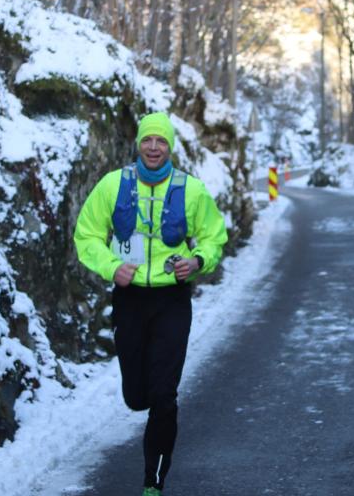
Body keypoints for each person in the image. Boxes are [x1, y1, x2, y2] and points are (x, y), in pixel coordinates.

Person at [73, 112, 228, 496]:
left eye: (161, 141)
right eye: (148, 140)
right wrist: (112, 267)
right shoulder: (113, 185)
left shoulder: (191, 190)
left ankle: (153, 482)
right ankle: (139, 397)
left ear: (170, 146)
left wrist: (197, 261)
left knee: (164, 395)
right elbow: (86, 235)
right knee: (136, 396)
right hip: (129, 299)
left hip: (172, 299)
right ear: (138, 144)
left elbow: (214, 237)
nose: (154, 147)